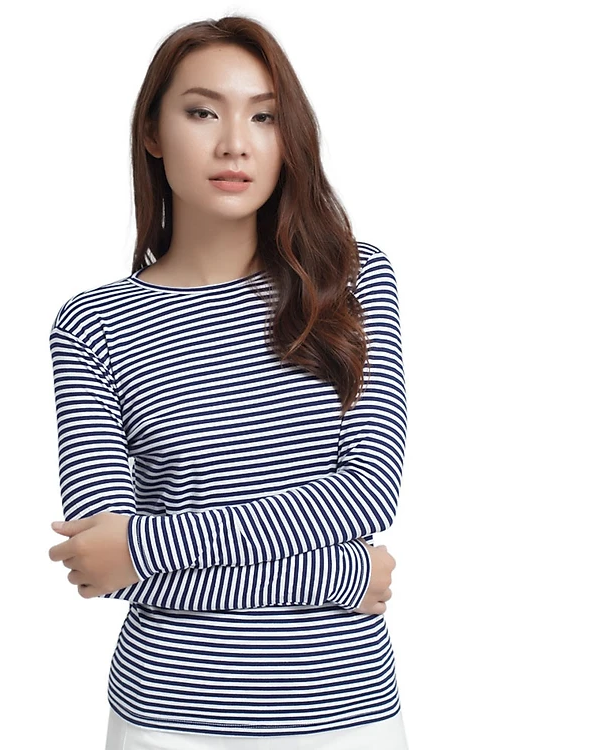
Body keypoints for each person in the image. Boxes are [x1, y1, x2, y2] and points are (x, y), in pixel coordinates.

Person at [47, 14, 409, 750]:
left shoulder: (350, 281)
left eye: (264, 116)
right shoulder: (93, 326)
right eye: (203, 112)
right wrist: (340, 576)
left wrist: (142, 546)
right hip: (165, 719)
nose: (235, 143)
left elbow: (368, 493)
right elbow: (102, 564)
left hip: (348, 717)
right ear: (153, 132)